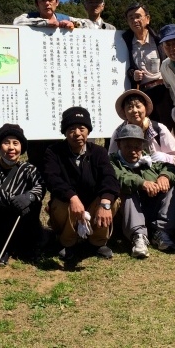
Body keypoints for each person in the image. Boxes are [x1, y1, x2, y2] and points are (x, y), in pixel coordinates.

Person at [42, 107, 121, 260]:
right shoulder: (53, 152)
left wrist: (105, 203)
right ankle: (68, 243)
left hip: (92, 204)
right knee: (61, 202)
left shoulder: (99, 152)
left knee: (112, 200)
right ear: (65, 132)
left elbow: (109, 177)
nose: (77, 133)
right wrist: (72, 197)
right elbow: (52, 178)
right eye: (71, 129)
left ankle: (97, 241)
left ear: (88, 131)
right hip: (67, 206)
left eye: (81, 128)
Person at [0, 124, 45, 265]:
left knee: (34, 206)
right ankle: (4, 248)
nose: (11, 148)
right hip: (0, 219)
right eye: (6, 143)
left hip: (24, 218)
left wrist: (28, 197)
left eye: (16, 143)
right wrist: (15, 200)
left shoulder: (29, 169)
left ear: (21, 147)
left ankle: (29, 247)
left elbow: (40, 187)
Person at [109, 124, 175, 257]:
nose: (133, 151)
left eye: (137, 147)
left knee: (172, 187)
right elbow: (119, 177)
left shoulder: (149, 160)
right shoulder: (112, 161)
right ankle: (138, 236)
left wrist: (165, 176)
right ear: (119, 145)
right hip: (128, 213)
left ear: (142, 146)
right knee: (127, 190)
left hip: (151, 206)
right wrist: (142, 183)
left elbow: (171, 169)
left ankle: (162, 232)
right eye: (128, 147)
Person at [121, 2, 175, 132]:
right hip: (142, 93)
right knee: (147, 129)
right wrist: (133, 74)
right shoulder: (125, 41)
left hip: (163, 90)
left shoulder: (159, 40)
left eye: (138, 16)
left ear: (148, 19)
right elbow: (125, 68)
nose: (135, 20)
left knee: (166, 129)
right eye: (131, 17)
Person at [107, 89, 175, 165]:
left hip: (157, 173)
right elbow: (111, 158)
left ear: (145, 108)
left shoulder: (159, 129)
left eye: (138, 106)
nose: (135, 110)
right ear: (124, 111)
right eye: (130, 107)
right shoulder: (119, 132)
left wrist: (163, 158)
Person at [13, 0, 82, 28]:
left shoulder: (64, 18)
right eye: (42, 0)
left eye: (50, 0)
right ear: (36, 4)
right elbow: (16, 22)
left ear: (57, 2)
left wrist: (74, 24)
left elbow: (87, 24)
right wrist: (46, 22)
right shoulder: (29, 16)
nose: (47, 3)